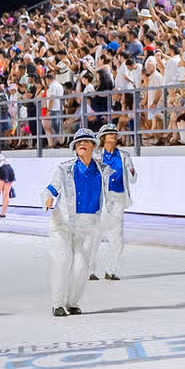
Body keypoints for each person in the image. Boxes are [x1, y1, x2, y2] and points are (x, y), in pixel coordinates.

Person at [42, 129, 108, 317]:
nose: (82, 144)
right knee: (62, 262)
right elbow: (52, 188)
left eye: (86, 141)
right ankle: (57, 303)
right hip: (62, 222)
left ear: (93, 146)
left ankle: (72, 303)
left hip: (89, 223)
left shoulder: (103, 170)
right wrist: (47, 199)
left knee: (81, 266)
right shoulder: (65, 168)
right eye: (78, 142)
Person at [90, 123, 138, 279]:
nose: (113, 136)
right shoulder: (96, 155)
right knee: (94, 236)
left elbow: (133, 179)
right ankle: (89, 270)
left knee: (117, 238)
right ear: (103, 137)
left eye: (115, 134)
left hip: (117, 200)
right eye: (110, 134)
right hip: (100, 200)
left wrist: (131, 170)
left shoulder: (124, 155)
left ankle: (110, 270)